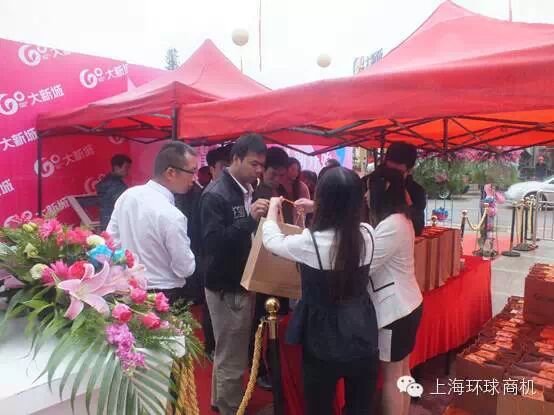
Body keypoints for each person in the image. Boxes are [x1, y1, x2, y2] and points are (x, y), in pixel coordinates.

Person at [263, 167, 379, 415]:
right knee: (360, 407)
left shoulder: (311, 242)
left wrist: (273, 207)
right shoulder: (368, 233)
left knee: (319, 407)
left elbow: (271, 241)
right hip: (362, 331)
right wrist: (315, 206)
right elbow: (342, 216)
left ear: (322, 200)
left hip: (321, 338)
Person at [199, 133, 269, 415]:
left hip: (238, 281)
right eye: (254, 164)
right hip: (227, 285)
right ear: (236, 159)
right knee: (233, 356)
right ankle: (232, 409)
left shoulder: (245, 189)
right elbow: (213, 244)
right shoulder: (216, 195)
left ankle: (221, 402)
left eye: (261, 165)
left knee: (228, 351)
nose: (259, 170)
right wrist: (249, 221)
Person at [107, 142, 197, 301]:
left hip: (130, 291)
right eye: (192, 172)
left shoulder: (128, 196)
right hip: (165, 294)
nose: (194, 178)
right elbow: (184, 268)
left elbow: (111, 242)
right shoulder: (172, 215)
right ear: (170, 172)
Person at [366, 167, 423, 415]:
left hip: (395, 312)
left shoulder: (391, 225)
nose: (366, 196)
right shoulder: (402, 219)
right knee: (402, 372)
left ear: (383, 188)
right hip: (408, 304)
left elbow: (365, 266)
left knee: (392, 378)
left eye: (369, 190)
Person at [250, 146, 290, 391]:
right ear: (264, 170)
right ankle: (261, 369)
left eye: (281, 175)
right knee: (261, 321)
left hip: (279, 261)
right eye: (273, 174)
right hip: (263, 263)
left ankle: (272, 367)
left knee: (273, 320)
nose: (276, 179)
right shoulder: (259, 194)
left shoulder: (281, 192)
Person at [384, 142, 427, 236]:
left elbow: (418, 228)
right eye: (389, 170)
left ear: (409, 171)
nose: (392, 175)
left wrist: (408, 202)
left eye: (398, 172)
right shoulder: (374, 182)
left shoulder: (416, 191)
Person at [96, 154, 132, 230]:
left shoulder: (106, 182)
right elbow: (123, 203)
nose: (128, 171)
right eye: (126, 168)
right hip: (115, 223)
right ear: (116, 167)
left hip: (107, 221)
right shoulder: (115, 185)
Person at [279, 157, 310, 225]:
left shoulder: (302, 187)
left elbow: (305, 209)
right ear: (285, 169)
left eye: (297, 170)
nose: (295, 173)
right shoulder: (278, 183)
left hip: (296, 223)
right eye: (293, 169)